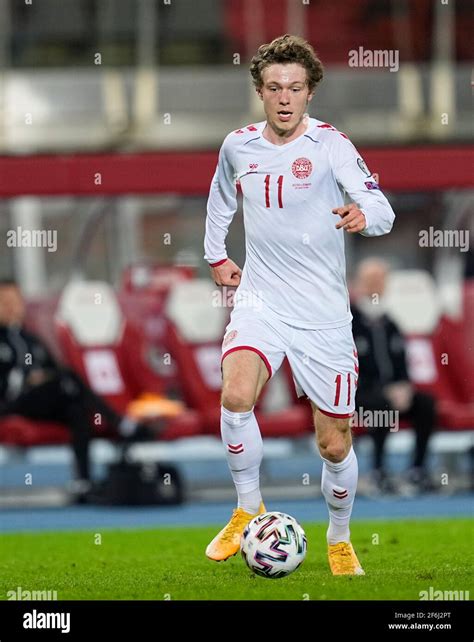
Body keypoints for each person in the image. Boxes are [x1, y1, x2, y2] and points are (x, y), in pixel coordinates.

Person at [203, 34, 395, 575]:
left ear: (310, 93)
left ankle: (338, 537)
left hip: (323, 317)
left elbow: (382, 207)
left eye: (295, 87)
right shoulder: (237, 146)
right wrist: (216, 256)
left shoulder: (332, 145)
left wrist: (364, 217)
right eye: (273, 87)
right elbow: (220, 202)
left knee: (333, 444)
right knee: (236, 393)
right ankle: (247, 508)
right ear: (260, 92)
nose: (284, 97)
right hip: (261, 300)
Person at [0, 279, 151, 502]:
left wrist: (42, 379)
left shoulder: (31, 339)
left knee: (76, 408)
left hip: (39, 401)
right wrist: (24, 380)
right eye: (5, 302)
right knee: (69, 379)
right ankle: (120, 423)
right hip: (11, 403)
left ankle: (83, 481)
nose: (12, 307)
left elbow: (52, 370)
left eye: (15, 301)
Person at [351, 259, 436, 493]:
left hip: (393, 392)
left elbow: (402, 364)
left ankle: (417, 469)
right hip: (360, 396)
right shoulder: (350, 323)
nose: (376, 286)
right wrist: (383, 390)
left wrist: (405, 388)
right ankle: (378, 470)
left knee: (426, 404)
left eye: (380, 281)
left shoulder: (391, 323)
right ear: (359, 284)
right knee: (381, 405)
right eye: (370, 281)